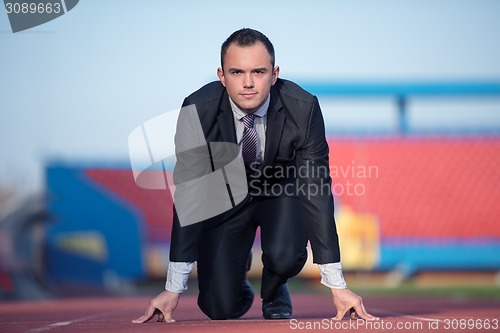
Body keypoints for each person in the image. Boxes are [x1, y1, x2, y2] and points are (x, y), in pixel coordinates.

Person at [133, 28, 379, 323]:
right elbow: (189, 193)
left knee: (285, 254)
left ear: (274, 74)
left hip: (280, 193)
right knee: (219, 308)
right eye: (236, 72)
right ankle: (238, 275)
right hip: (223, 198)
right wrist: (172, 288)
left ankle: (275, 287)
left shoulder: (303, 108)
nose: (248, 83)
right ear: (221, 76)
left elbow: (316, 188)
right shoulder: (197, 110)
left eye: (258, 72)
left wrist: (337, 284)